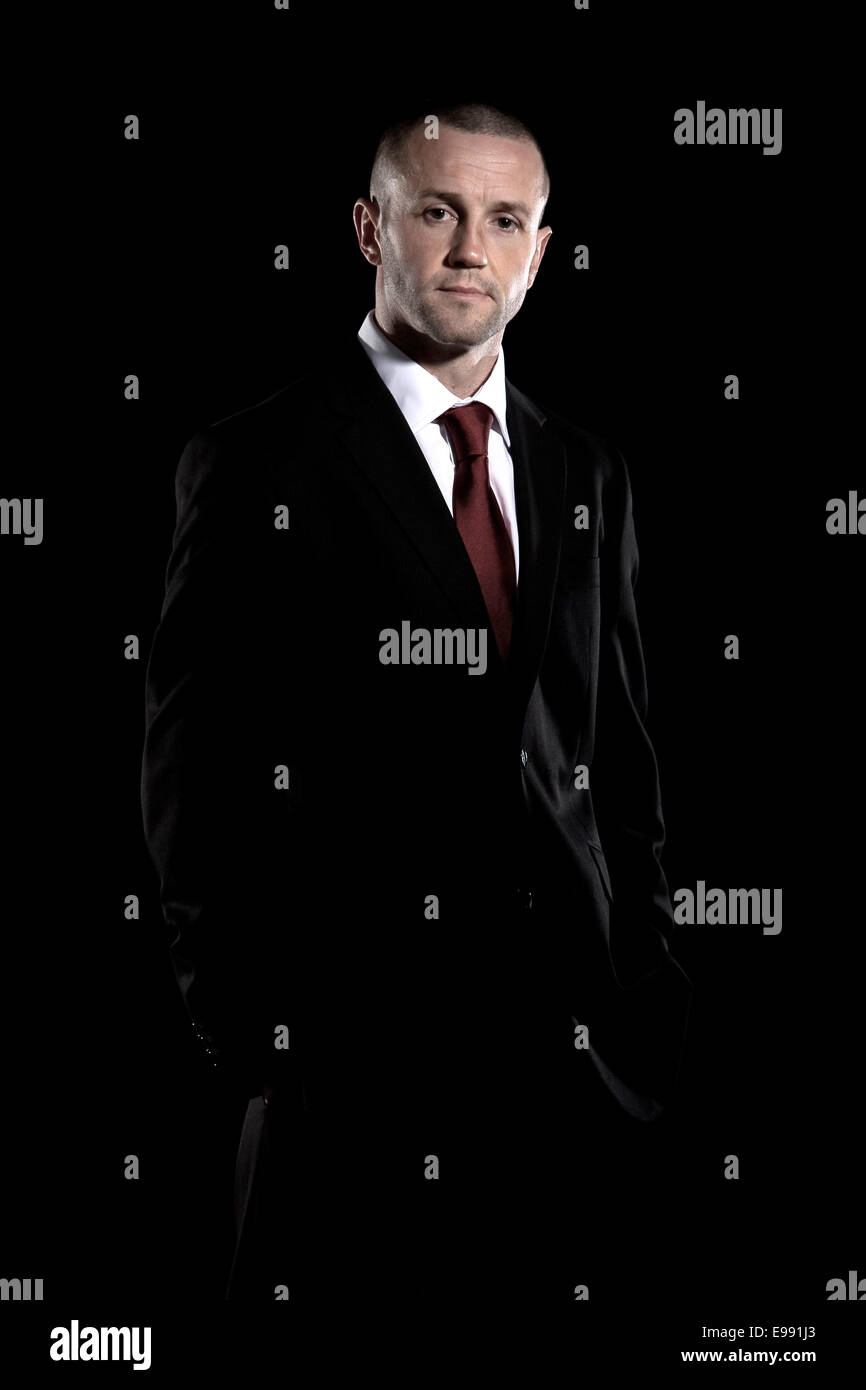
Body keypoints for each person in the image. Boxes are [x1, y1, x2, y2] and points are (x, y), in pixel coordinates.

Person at [141, 102, 692, 1312]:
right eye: (437, 211)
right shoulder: (254, 462)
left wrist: (640, 989)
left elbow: (618, 755)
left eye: (504, 221)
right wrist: (252, 1036)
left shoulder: (580, 467)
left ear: (540, 252)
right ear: (368, 225)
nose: (467, 250)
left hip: (571, 1068)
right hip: (344, 1070)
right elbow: (194, 773)